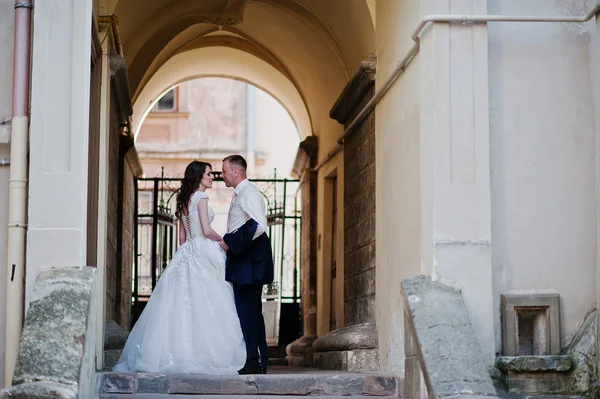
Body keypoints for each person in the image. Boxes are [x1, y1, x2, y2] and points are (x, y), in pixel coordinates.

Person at [113, 161, 246, 374]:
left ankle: (176, 353)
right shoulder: (201, 198)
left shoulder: (183, 200)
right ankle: (204, 352)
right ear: (199, 177)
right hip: (203, 249)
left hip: (187, 253)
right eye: (209, 174)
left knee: (181, 304)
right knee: (209, 302)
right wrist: (224, 241)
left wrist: (186, 256)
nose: (213, 177)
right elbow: (206, 229)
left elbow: (182, 239)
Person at [219, 155, 274, 375]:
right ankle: (255, 358)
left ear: (236, 171)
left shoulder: (249, 193)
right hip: (244, 259)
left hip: (250, 260)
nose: (221, 175)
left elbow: (260, 225)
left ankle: (256, 359)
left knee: (249, 311)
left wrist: (233, 243)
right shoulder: (240, 193)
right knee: (248, 310)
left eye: (223, 171)